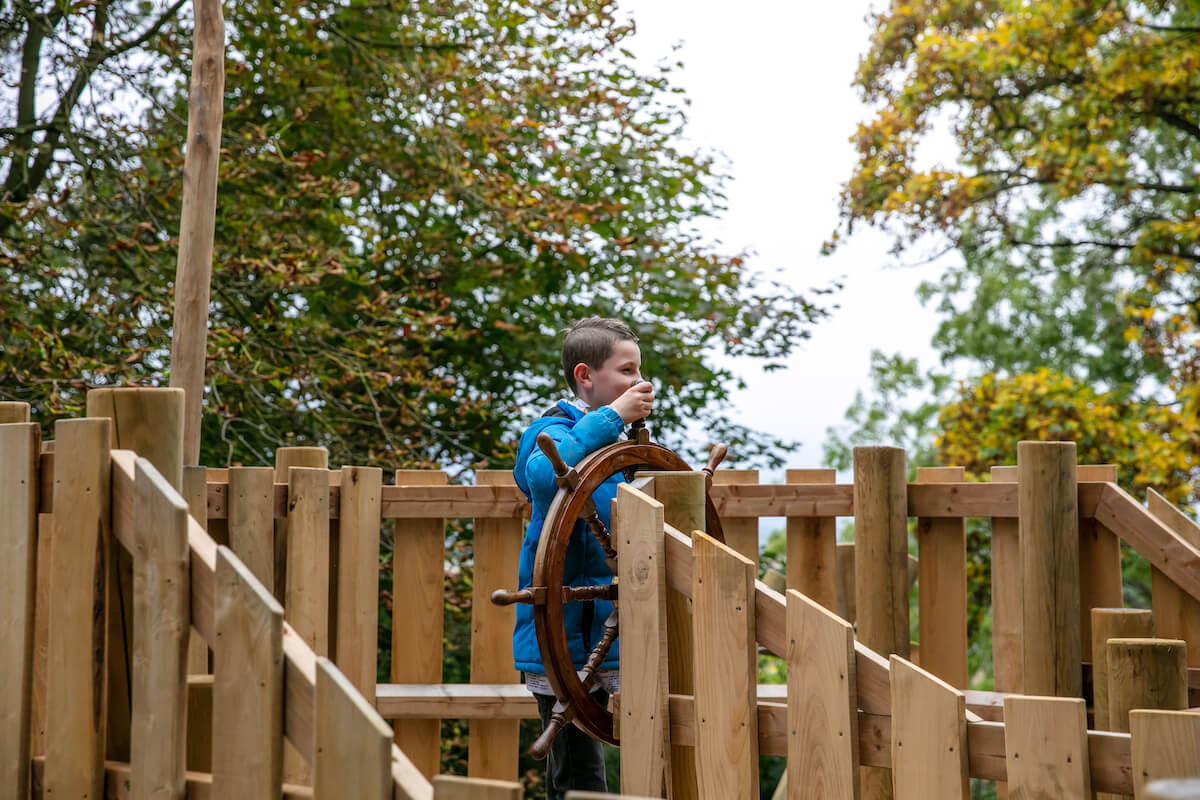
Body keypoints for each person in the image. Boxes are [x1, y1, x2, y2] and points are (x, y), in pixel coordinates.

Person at [511, 317, 653, 799]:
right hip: (563, 635)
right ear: (585, 376)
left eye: (639, 371)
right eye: (627, 370)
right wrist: (612, 418)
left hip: (614, 629)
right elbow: (546, 477)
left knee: (645, 753)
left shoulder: (614, 444)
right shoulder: (548, 431)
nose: (640, 382)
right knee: (578, 775)